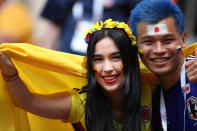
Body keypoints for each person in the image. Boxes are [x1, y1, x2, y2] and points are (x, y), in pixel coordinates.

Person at [0, 19, 141, 130]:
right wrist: (10, 72)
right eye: (98, 59)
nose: (107, 68)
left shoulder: (151, 90)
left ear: (130, 60)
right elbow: (27, 101)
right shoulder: (83, 104)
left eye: (116, 57)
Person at [129, 0, 197, 130]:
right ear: (136, 46)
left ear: (183, 40)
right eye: (148, 42)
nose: (159, 50)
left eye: (168, 40)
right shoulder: (149, 95)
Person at [40, 0, 141, 55]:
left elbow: (139, 23)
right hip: (69, 60)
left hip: (108, 62)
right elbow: (53, 26)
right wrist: (44, 57)